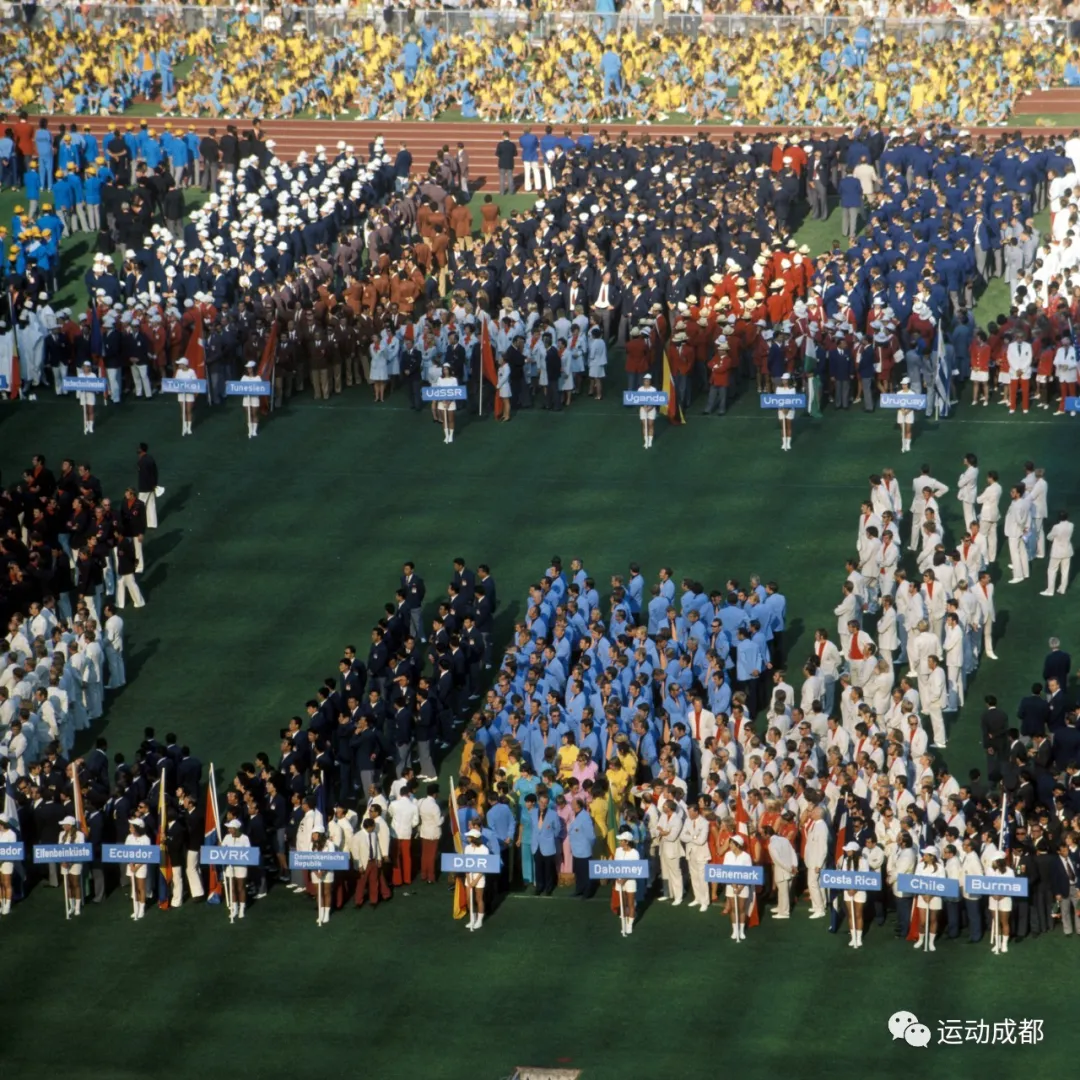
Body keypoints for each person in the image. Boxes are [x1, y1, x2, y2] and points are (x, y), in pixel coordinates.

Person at [723, 833, 753, 941]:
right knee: (733, 908)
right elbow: (725, 871)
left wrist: (740, 886)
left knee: (741, 908)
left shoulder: (746, 856)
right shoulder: (727, 855)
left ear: (738, 845)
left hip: (743, 887)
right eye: (730, 843)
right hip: (730, 885)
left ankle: (741, 931)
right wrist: (732, 883)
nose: (730, 845)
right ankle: (735, 930)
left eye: (732, 844)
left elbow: (749, 873)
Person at [222, 818, 251, 922]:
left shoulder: (245, 838)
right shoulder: (227, 837)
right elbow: (222, 848)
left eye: (231, 828)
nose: (229, 830)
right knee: (232, 888)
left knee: (240, 887)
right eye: (229, 828)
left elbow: (248, 852)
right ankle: (235, 908)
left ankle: (242, 908)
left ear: (236, 829)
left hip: (241, 866)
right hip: (230, 866)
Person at [124, 816, 152, 921]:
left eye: (131, 826)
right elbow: (126, 851)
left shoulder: (146, 839)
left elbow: (148, 855)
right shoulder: (129, 837)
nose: (130, 828)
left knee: (141, 887)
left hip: (142, 865)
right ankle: (135, 908)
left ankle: (142, 909)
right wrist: (131, 864)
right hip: (131, 865)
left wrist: (137, 866)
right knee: (134, 887)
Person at [1042, 510, 1073, 596]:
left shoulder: (1056, 527)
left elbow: (1049, 537)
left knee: (1052, 570)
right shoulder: (1071, 525)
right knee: (1065, 570)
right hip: (1067, 551)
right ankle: (1062, 589)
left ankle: (1050, 590)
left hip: (1057, 552)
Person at [310, 826, 336, 926]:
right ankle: (320, 914)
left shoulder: (329, 844)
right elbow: (308, 858)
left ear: (320, 834)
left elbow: (332, 858)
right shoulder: (311, 844)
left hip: (328, 871)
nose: (313, 836)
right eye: (312, 834)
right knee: (318, 893)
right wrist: (316, 871)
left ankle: (326, 913)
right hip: (315, 871)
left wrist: (324, 871)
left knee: (326, 892)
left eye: (315, 833)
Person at [464, 827, 489, 930]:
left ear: (474, 838)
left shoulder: (484, 849)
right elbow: (465, 864)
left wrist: (475, 880)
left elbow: (484, 866)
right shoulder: (467, 848)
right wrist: (469, 879)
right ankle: (472, 919)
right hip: (469, 877)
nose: (467, 838)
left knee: (479, 899)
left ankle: (479, 920)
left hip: (480, 877)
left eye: (469, 837)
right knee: (469, 898)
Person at [614, 829, 638, 936]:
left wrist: (625, 878)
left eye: (622, 841)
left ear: (627, 842)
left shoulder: (635, 853)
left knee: (630, 903)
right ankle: (623, 923)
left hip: (630, 880)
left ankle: (629, 925)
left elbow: (635, 869)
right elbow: (615, 866)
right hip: (619, 880)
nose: (620, 843)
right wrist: (617, 877)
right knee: (622, 903)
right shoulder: (618, 851)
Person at [989, 855, 1014, 954]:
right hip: (993, 899)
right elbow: (987, 884)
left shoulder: (1009, 871)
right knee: (996, 922)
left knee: (1004, 922)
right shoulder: (991, 870)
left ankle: (1004, 944)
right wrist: (993, 894)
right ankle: (997, 944)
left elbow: (1012, 885)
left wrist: (1002, 895)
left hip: (1006, 899)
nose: (993, 863)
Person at [173, 355, 198, 436]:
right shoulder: (178, 372)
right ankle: (184, 427)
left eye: (180, 364)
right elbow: (176, 381)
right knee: (183, 411)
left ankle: (188, 428)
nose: (179, 365)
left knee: (188, 411)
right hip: (181, 393)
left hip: (189, 393)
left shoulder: (191, 371)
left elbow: (195, 382)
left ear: (184, 364)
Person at [239, 360, 263, 439]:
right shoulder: (244, 377)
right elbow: (239, 387)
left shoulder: (258, 378)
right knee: (248, 414)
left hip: (255, 398)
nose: (249, 369)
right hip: (246, 398)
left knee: (254, 413)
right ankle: (250, 430)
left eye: (250, 368)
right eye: (248, 368)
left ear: (253, 368)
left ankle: (254, 431)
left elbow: (261, 388)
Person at [435, 363, 459, 444]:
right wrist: (442, 400)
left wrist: (449, 401)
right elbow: (438, 390)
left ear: (449, 370)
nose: (445, 371)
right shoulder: (440, 379)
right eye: (443, 369)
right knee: (444, 420)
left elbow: (456, 391)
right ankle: (446, 436)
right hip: (441, 402)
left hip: (451, 402)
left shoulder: (454, 379)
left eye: (446, 369)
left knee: (451, 419)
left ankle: (451, 435)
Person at [0, 817, 17, 916]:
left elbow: (12, 850)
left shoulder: (11, 834)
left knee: (6, 883)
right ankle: (1, 903)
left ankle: (7, 905)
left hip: (7, 861)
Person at [776, 372, 797, 451]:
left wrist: (787, 408)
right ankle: (784, 443)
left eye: (786, 379)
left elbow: (793, 400)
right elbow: (777, 399)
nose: (784, 381)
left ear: (788, 380)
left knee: (789, 426)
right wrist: (782, 408)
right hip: (781, 409)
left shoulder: (792, 389)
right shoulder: (778, 388)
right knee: (783, 427)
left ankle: (788, 443)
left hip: (790, 409)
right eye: (783, 379)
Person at [895, 377, 917, 452]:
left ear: (908, 385)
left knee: (908, 429)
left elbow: (914, 404)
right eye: (903, 384)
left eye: (905, 384)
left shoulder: (912, 393)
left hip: (909, 413)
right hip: (901, 413)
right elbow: (896, 403)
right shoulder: (899, 393)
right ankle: (903, 444)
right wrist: (901, 410)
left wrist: (907, 411)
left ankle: (908, 445)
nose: (904, 386)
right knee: (903, 430)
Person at [637, 371, 656, 450]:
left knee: (650, 424)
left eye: (648, 380)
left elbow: (656, 400)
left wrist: (650, 407)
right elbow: (637, 399)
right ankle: (646, 441)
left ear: (650, 381)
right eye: (645, 380)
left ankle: (650, 441)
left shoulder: (653, 389)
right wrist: (643, 407)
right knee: (644, 425)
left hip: (651, 409)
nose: (646, 382)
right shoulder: (640, 389)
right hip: (643, 409)